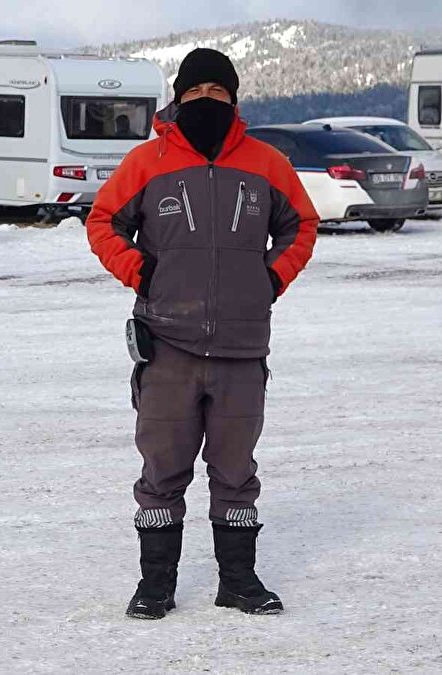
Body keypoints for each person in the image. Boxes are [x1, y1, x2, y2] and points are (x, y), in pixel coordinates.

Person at [86, 48, 318, 621]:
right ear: (178, 98)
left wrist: (269, 279)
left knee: (236, 471)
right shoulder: (147, 162)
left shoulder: (267, 163)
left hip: (242, 348)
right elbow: (103, 222)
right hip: (168, 345)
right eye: (195, 91)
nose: (206, 100)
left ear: (233, 100)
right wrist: (141, 273)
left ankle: (238, 581)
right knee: (161, 470)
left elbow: (302, 226)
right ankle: (155, 585)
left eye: (218, 91)